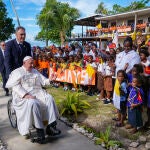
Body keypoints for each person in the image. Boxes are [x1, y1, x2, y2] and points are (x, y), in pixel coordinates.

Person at [5, 56, 61, 143]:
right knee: (33, 103)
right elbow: (14, 86)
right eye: (30, 63)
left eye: (32, 63)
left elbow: (43, 81)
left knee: (49, 98)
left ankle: (51, 127)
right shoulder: (17, 72)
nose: (32, 65)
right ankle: (40, 132)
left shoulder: (34, 71)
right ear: (24, 63)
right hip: (23, 95)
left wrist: (50, 80)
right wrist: (25, 95)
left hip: (38, 93)